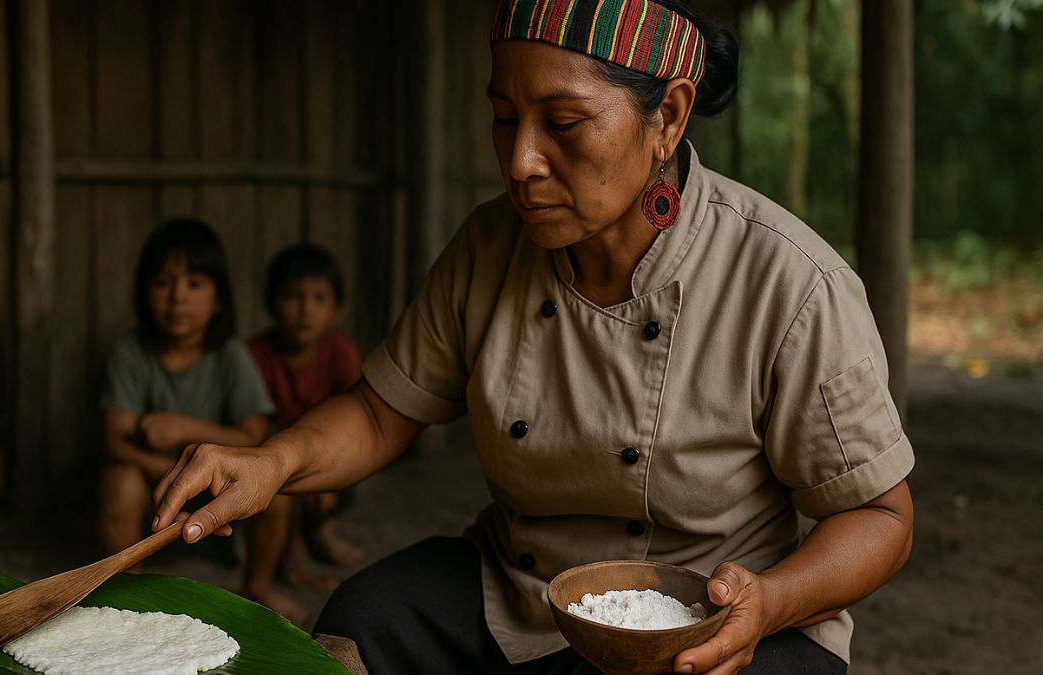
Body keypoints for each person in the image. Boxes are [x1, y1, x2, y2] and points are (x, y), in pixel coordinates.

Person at [151, 1, 915, 673]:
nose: (520, 161)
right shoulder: (490, 247)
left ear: (670, 117)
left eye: (564, 123)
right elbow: (384, 411)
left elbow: (881, 515)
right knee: (370, 614)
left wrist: (770, 602)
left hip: (719, 613)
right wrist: (272, 460)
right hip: (522, 590)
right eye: (503, 117)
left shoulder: (788, 282)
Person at [97, 218, 275, 580]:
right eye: (163, 283)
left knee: (280, 487)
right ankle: (126, 587)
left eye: (194, 284)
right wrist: (175, 476)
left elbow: (254, 435)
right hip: (152, 483)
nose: (178, 297)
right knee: (119, 482)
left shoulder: (229, 354)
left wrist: (184, 428)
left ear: (218, 299)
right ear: (143, 293)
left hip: (219, 483)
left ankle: (260, 584)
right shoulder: (130, 352)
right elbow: (114, 441)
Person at [243, 243, 366, 621]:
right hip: (273, 450)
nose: (305, 310)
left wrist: (326, 478)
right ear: (271, 303)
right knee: (283, 480)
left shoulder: (340, 351)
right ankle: (291, 556)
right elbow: (254, 424)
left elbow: (359, 415)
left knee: (330, 480)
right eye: (293, 297)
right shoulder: (254, 354)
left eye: (318, 298)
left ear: (337, 307)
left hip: (327, 449)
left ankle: (321, 533)